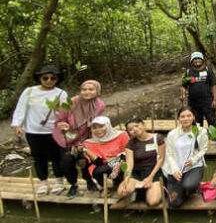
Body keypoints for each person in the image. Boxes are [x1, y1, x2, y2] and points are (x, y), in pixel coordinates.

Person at [11, 65, 68, 195]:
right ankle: (43, 182)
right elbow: (21, 108)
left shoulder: (61, 93)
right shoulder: (29, 91)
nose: (49, 80)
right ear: (39, 78)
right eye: (45, 78)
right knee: (38, 157)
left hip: (54, 131)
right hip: (33, 131)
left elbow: (65, 112)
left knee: (56, 157)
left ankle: (59, 181)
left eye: (53, 78)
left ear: (57, 79)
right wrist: (17, 125)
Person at [53, 79, 105, 197]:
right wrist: (63, 125)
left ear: (97, 91)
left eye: (91, 89)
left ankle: (89, 181)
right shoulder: (72, 102)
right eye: (84, 89)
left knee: (87, 161)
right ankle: (73, 184)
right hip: (68, 137)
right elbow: (59, 119)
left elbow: (97, 122)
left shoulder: (100, 105)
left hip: (86, 137)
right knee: (67, 163)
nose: (87, 92)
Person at [162, 107, 208, 208]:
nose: (186, 119)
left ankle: (189, 189)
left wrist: (194, 160)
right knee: (174, 203)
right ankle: (179, 189)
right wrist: (174, 169)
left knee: (189, 185)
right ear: (178, 119)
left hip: (193, 166)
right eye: (182, 116)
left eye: (188, 116)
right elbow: (169, 153)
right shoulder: (172, 134)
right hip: (176, 168)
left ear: (193, 117)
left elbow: (203, 149)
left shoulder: (201, 131)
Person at [118, 118, 165, 206]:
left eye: (136, 125)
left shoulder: (158, 138)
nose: (134, 129)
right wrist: (126, 179)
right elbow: (129, 165)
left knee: (153, 202)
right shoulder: (130, 144)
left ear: (143, 125)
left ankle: (142, 193)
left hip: (154, 172)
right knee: (122, 192)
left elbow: (161, 159)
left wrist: (150, 177)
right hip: (137, 173)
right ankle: (140, 190)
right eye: (131, 129)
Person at [82, 116, 129, 189]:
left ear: (108, 125)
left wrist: (115, 160)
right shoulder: (89, 143)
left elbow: (128, 153)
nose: (98, 130)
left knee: (121, 164)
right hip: (101, 165)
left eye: (101, 126)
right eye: (94, 128)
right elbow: (96, 161)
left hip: (120, 162)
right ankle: (104, 185)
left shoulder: (121, 135)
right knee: (98, 171)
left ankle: (118, 183)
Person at [180, 51, 216, 127]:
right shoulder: (188, 72)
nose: (197, 61)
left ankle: (215, 138)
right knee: (196, 123)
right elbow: (183, 86)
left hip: (207, 101)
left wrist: (215, 99)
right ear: (192, 61)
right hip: (193, 102)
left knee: (212, 121)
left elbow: (213, 85)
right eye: (195, 59)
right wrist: (182, 95)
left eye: (199, 59)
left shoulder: (208, 70)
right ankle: (197, 138)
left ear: (202, 60)